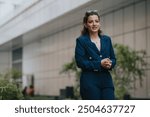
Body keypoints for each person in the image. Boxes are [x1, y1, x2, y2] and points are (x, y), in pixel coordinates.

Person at [75, 10, 116, 100]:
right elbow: (80, 62)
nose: (94, 24)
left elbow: (113, 58)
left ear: (99, 23)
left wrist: (110, 63)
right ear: (86, 25)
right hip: (90, 81)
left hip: (106, 80)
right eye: (90, 22)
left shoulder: (107, 39)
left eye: (96, 21)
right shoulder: (81, 41)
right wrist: (99, 63)